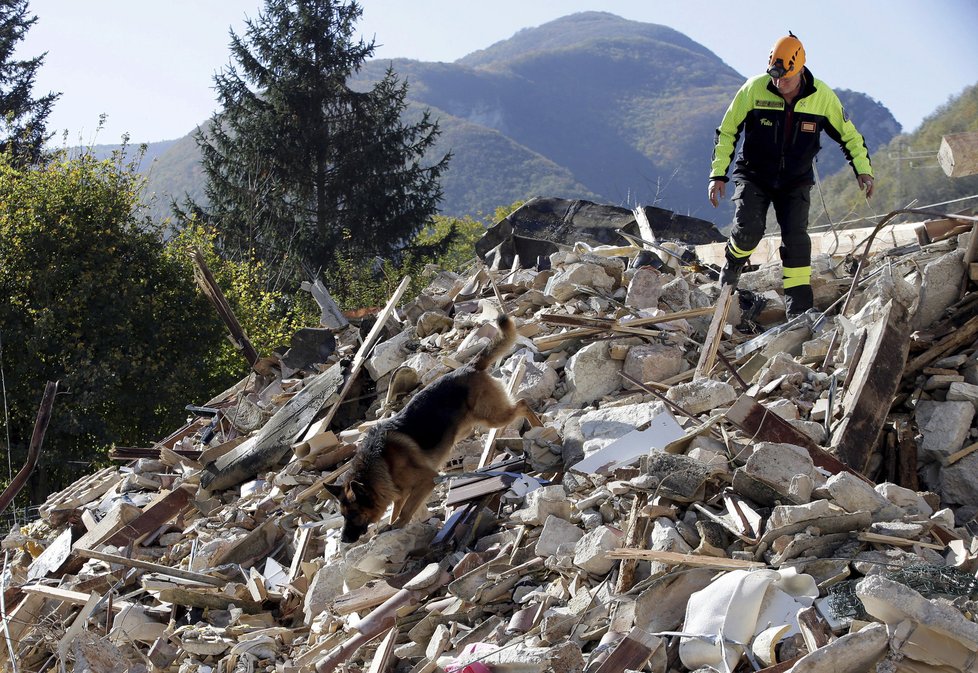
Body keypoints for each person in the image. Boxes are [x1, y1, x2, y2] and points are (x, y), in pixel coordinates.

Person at [708, 31, 874, 317]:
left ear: (799, 70)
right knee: (748, 232)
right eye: (774, 75)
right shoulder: (753, 89)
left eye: (784, 77)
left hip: (795, 180)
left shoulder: (822, 97)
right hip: (754, 174)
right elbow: (727, 132)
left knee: (796, 241)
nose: (778, 82)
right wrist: (718, 174)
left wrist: (863, 170)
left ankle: (799, 312)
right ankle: (733, 263)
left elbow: (850, 136)